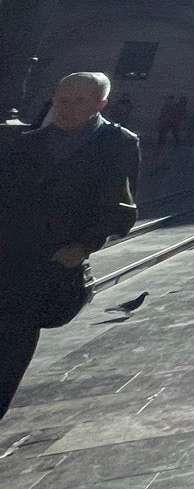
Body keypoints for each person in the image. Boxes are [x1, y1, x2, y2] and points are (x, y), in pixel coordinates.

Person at [0, 72, 140, 419]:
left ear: (100, 104)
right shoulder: (25, 141)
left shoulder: (117, 143)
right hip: (7, 250)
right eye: (61, 99)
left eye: (78, 101)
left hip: (49, 262)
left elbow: (121, 207)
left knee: (12, 345)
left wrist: (84, 245)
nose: (66, 107)